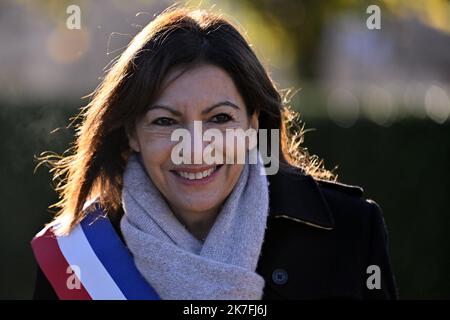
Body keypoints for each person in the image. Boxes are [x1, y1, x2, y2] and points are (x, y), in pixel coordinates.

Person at [31, 7, 397, 300]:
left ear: (253, 122)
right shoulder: (76, 260)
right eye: (165, 121)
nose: (195, 145)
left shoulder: (349, 231)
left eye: (220, 118)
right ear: (131, 133)